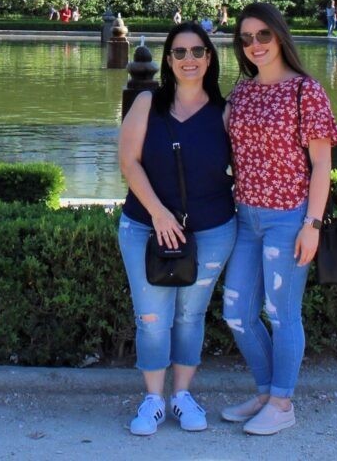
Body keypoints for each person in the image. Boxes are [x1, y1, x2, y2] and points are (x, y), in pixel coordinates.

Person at [221, 2, 337, 436]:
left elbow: (322, 166)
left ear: (279, 35)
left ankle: (282, 402)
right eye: (246, 39)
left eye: (263, 36)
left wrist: (312, 224)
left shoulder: (305, 91)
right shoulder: (242, 93)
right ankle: (266, 390)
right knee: (237, 312)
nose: (255, 45)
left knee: (281, 312)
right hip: (245, 217)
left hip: (288, 218)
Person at [118, 22, 236, 437]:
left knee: (190, 315)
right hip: (146, 228)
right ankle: (153, 398)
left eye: (198, 51)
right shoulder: (147, 103)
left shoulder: (225, 112)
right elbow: (128, 162)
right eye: (180, 52)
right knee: (152, 317)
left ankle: (182, 395)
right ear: (168, 60)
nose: (190, 59)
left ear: (210, 58)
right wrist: (160, 214)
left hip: (212, 231)